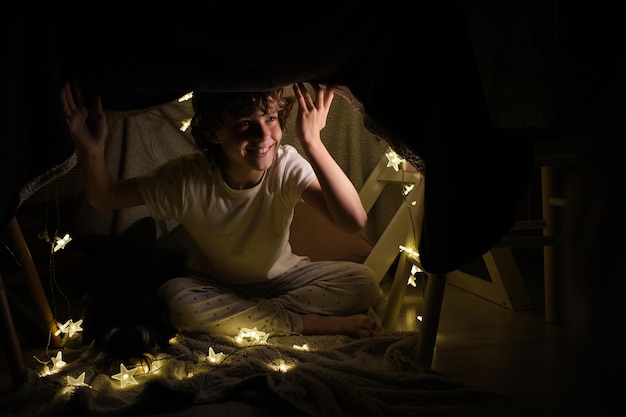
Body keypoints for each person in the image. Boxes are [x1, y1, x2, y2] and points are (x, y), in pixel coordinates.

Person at [61, 81, 381, 339]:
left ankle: (245, 315)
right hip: (215, 284)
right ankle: (301, 323)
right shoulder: (187, 178)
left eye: (269, 118)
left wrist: (313, 142)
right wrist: (92, 149)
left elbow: (354, 221)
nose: (263, 135)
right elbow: (105, 197)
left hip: (285, 279)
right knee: (176, 300)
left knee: (364, 283)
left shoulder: (286, 164)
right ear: (215, 134)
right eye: (245, 124)